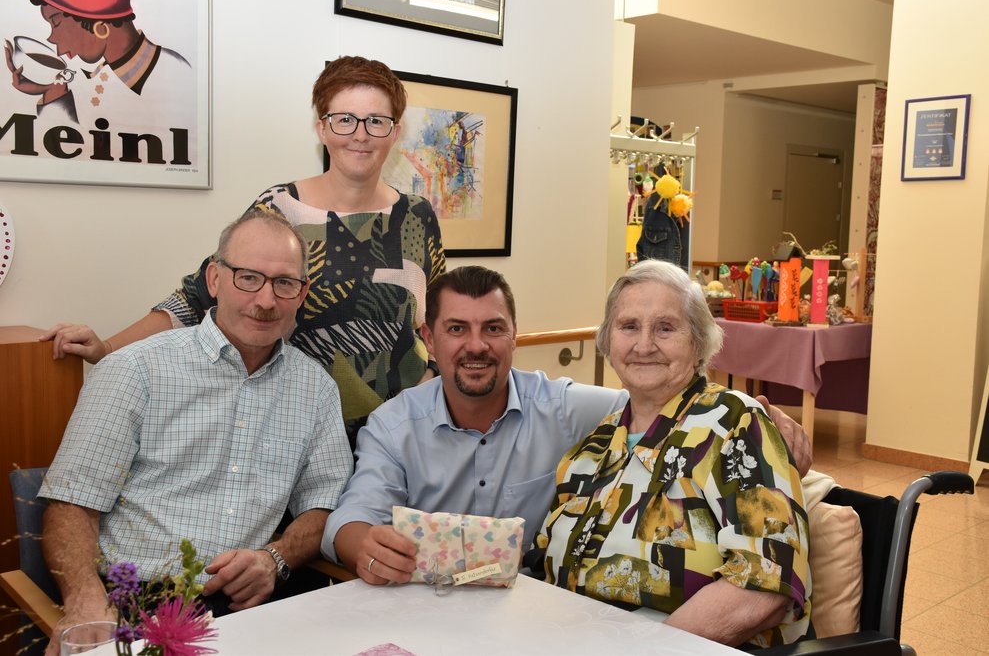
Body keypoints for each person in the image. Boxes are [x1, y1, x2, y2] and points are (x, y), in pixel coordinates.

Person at [41, 55, 446, 446]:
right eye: (345, 119)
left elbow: (438, 318)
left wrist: (429, 382)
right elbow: (200, 295)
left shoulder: (417, 215)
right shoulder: (281, 208)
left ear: (394, 132)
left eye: (376, 121)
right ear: (322, 129)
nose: (360, 134)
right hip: (299, 430)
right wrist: (108, 348)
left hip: (401, 433)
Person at [322, 265, 812, 587]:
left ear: (514, 336)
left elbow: (664, 398)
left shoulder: (563, 408)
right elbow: (349, 520)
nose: (476, 346)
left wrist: (755, 412)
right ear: (429, 339)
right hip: (438, 611)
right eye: (456, 329)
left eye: (493, 328)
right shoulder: (395, 425)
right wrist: (364, 545)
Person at [39, 210, 353, 654]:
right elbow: (71, 504)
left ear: (301, 293)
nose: (266, 300)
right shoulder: (134, 370)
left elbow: (323, 504)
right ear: (214, 279)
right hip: (135, 604)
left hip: (252, 608)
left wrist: (276, 558)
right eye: (248, 278)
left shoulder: (315, 388)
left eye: (284, 283)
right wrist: (85, 603)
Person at [533, 260, 810, 649]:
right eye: (629, 326)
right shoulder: (592, 449)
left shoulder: (733, 422)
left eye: (665, 328)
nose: (644, 345)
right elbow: (544, 566)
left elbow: (766, 580)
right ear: (608, 341)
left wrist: (647, 650)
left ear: (699, 342)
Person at [5, 0, 193, 124]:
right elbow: (69, 149)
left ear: (101, 29)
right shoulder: (91, 81)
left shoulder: (178, 73)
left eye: (56, 22)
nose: (52, 39)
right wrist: (53, 92)